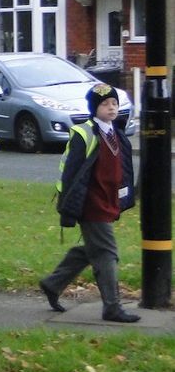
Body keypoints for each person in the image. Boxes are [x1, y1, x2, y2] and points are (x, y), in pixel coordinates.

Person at [39, 83, 139, 323]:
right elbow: (71, 172)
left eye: (114, 103)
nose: (111, 108)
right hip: (91, 202)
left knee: (93, 249)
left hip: (108, 200)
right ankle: (112, 307)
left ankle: (53, 283)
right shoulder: (85, 134)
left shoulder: (117, 133)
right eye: (105, 104)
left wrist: (124, 197)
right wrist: (67, 204)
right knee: (107, 252)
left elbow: (122, 170)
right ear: (95, 108)